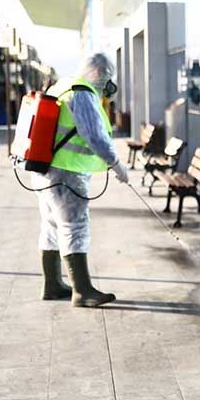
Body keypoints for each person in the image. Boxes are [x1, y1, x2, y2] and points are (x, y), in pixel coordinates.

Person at [32, 53, 130, 307]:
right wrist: (116, 164)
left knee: (52, 227)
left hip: (43, 167)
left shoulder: (62, 85)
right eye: (107, 76)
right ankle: (82, 291)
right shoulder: (82, 92)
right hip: (66, 172)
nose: (107, 83)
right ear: (98, 73)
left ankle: (52, 285)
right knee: (75, 226)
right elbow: (94, 136)